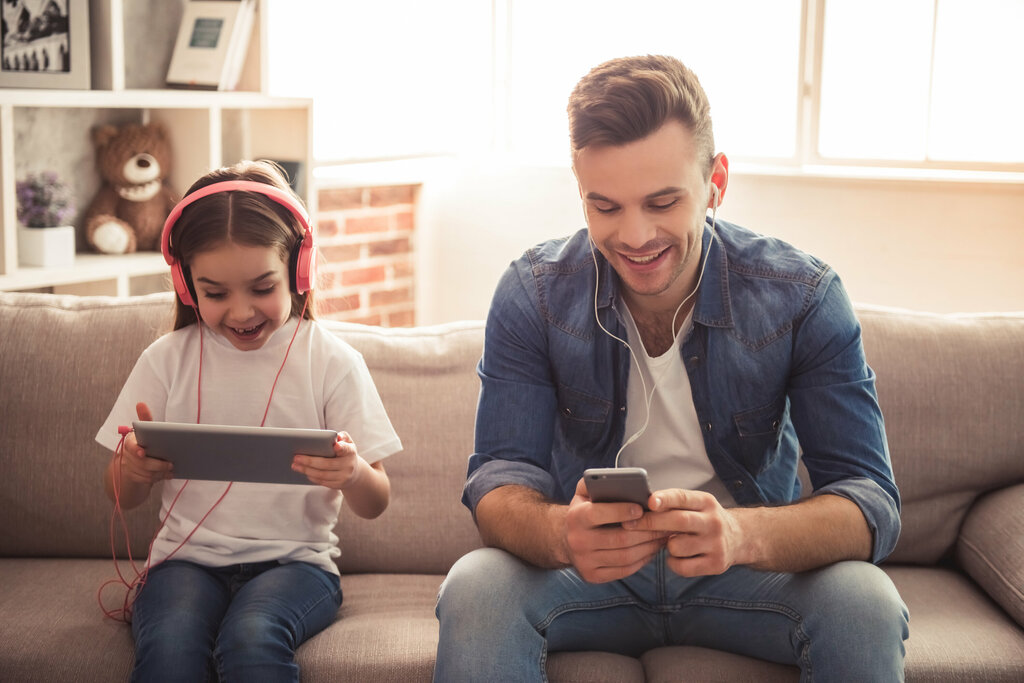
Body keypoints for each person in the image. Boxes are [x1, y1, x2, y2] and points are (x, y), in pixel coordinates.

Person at [434, 55, 909, 681]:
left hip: (743, 576)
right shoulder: (534, 294)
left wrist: (740, 536)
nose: (635, 236)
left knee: (866, 601)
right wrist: (560, 535)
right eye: (605, 207)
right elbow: (497, 481)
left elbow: (869, 501)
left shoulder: (802, 295)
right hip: (588, 578)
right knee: (476, 585)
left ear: (716, 182)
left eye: (662, 201)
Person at [96, 160, 402, 682]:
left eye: (262, 288)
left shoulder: (331, 362)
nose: (240, 312)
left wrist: (352, 474)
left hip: (297, 567)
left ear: (298, 271)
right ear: (187, 284)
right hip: (184, 564)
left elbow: (376, 501)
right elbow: (121, 497)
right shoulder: (165, 360)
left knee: (251, 637)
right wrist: (133, 471)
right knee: (171, 647)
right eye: (216, 293)